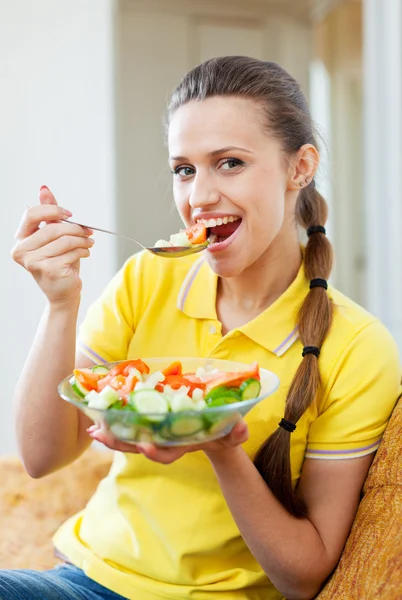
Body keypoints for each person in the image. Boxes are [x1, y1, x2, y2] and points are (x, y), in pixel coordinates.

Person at [4, 56, 401, 600]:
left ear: (299, 167)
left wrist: (218, 443)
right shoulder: (149, 276)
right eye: (184, 169)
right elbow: (43, 455)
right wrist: (60, 303)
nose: (199, 197)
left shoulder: (358, 348)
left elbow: (303, 575)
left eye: (230, 163)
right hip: (85, 579)